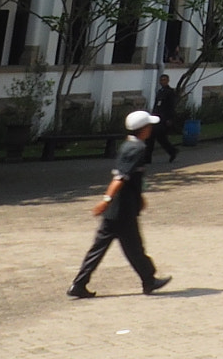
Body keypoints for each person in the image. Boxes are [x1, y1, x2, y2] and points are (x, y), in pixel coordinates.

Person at [67, 109, 173, 299]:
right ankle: (149, 279)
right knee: (134, 247)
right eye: (149, 126)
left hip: (120, 207)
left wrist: (138, 197)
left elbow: (132, 177)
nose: (150, 129)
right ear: (143, 129)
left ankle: (79, 283)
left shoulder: (127, 145)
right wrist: (105, 200)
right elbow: (121, 178)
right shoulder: (137, 149)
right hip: (123, 208)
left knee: (101, 248)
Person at [150, 75, 181, 163]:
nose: (162, 82)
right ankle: (172, 151)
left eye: (164, 80)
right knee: (158, 137)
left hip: (164, 118)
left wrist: (169, 119)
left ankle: (172, 151)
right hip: (156, 117)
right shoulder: (160, 91)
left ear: (168, 81)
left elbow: (171, 107)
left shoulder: (170, 92)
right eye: (161, 80)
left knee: (158, 136)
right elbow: (156, 105)